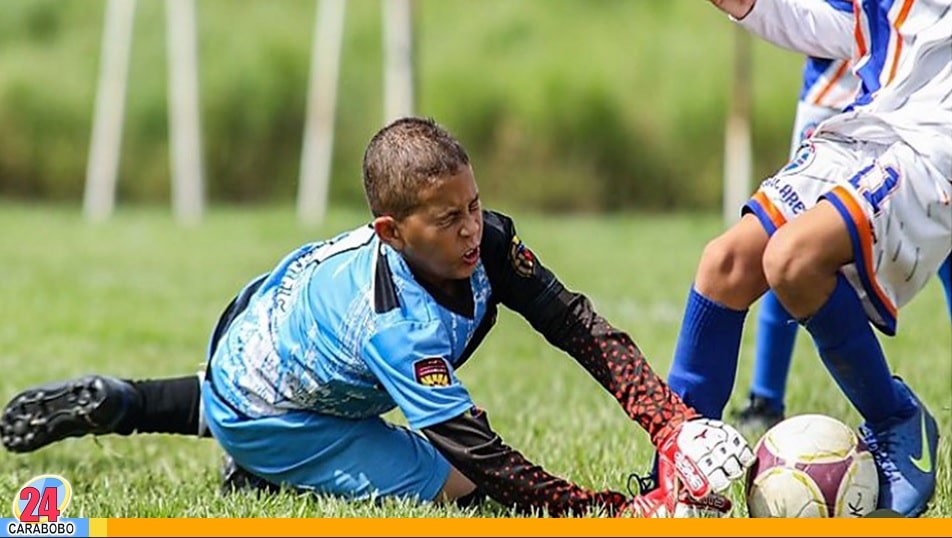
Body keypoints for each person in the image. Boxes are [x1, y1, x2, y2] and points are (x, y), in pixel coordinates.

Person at [2, 117, 754, 518]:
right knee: (458, 485)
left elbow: (575, 323)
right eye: (445, 219)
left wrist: (669, 424)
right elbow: (485, 460)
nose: (471, 230)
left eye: (474, 206)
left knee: (253, 394)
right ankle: (264, 465)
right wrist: (614, 512)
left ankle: (132, 402)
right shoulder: (400, 328)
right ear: (392, 232)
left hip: (251, 327)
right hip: (262, 391)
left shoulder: (484, 242)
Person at [667, 0, 950, 517]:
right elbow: (847, 30)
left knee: (793, 261)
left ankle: (895, 420)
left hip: (936, 141)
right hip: (875, 117)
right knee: (724, 266)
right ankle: (682, 486)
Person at [733, 47, 952, 432]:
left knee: (943, 224)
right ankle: (765, 398)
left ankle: (888, 419)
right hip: (832, 91)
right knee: (789, 235)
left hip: (917, 91)